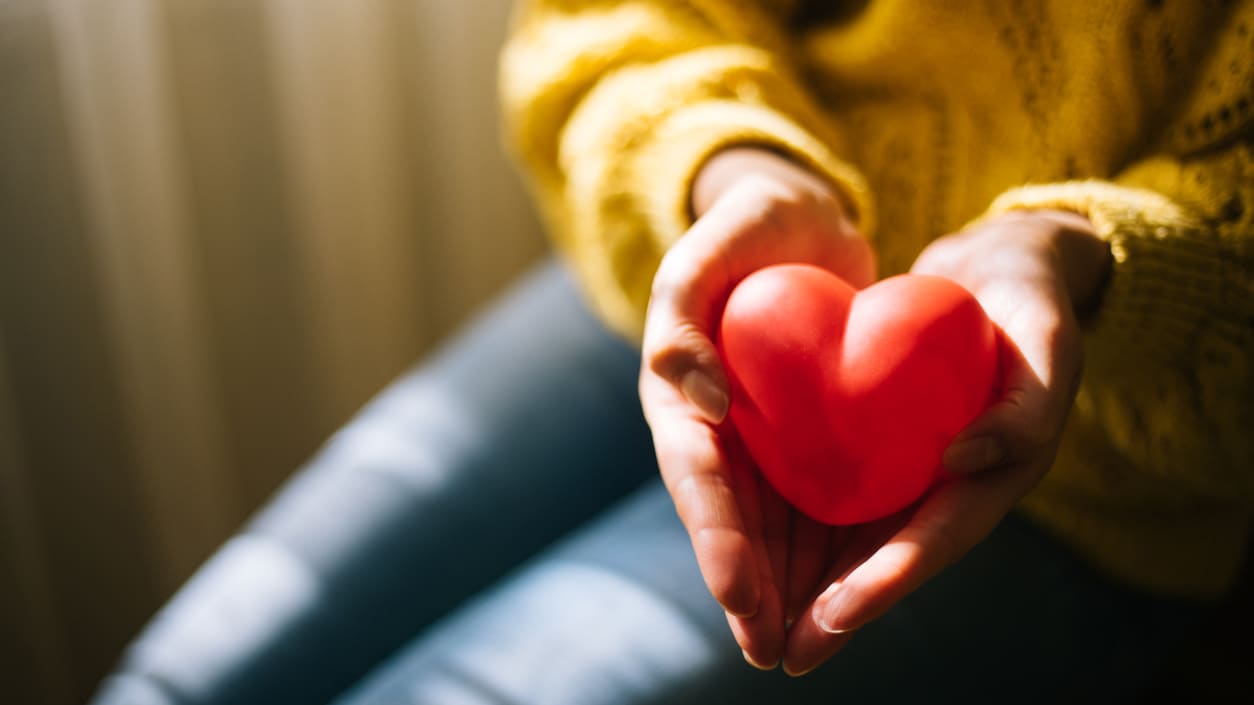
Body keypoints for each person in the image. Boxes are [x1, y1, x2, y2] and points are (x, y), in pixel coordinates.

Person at [91, 1, 1252, 704]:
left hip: (1098, 479)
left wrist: (1086, 256)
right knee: (183, 683)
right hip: (708, 281)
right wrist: (738, 171)